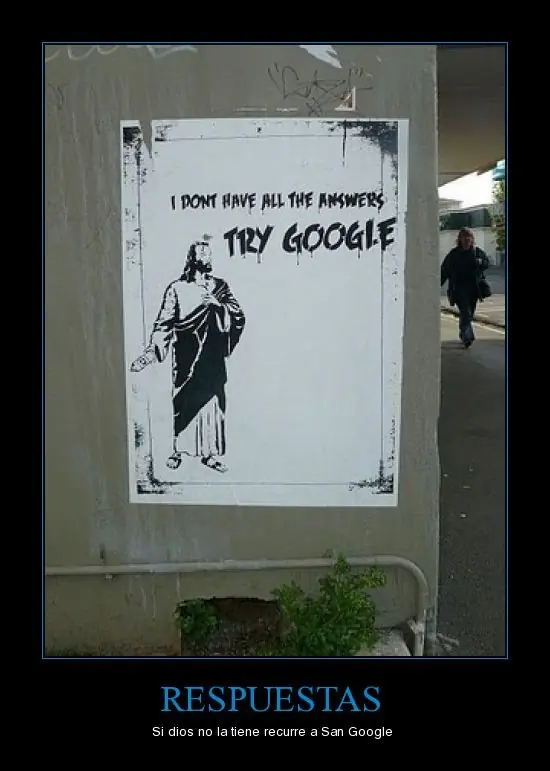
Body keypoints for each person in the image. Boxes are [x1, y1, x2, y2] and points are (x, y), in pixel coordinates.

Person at [130, 238, 245, 473]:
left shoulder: (220, 287)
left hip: (212, 359)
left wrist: (218, 306)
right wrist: (152, 351)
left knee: (212, 403)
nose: (206, 256)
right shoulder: (177, 288)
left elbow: (238, 315)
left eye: (208, 253)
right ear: (191, 258)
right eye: (201, 252)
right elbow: (165, 322)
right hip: (186, 356)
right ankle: (178, 451)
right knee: (184, 400)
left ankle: (210, 454)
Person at [440, 227, 490, 348]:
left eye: (469, 238)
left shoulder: (477, 252)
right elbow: (444, 270)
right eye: (464, 237)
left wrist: (480, 262)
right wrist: (437, 285)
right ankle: (467, 337)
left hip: (474, 290)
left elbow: (486, 263)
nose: (467, 240)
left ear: (472, 239)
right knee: (466, 313)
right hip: (458, 290)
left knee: (469, 314)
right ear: (460, 240)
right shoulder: (454, 254)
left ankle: (464, 333)